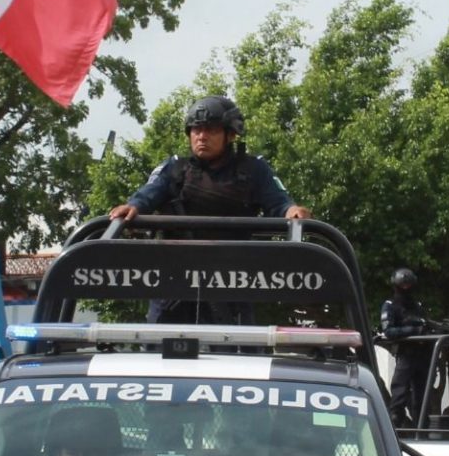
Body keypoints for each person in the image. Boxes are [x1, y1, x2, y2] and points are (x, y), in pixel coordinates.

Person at [108, 95, 310, 321]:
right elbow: (148, 194)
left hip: (233, 283)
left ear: (231, 134)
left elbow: (279, 202)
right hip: (173, 283)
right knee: (159, 349)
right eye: (196, 130)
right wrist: (133, 207)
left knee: (242, 352)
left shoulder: (254, 169)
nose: (202, 136)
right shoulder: (175, 169)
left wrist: (291, 211)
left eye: (211, 130)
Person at [381, 267, 433, 428]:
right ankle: (396, 425)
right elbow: (388, 331)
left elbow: (427, 325)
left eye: (408, 286)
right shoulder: (390, 305)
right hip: (406, 354)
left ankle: (422, 429)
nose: (405, 289)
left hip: (422, 355)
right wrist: (413, 330)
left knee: (421, 396)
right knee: (399, 391)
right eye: (402, 286)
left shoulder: (417, 305)